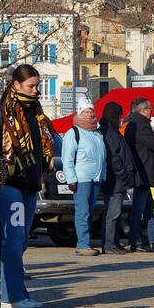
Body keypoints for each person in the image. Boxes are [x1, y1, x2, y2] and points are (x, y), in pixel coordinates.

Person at [0, 64, 52, 308]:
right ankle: (13, 296)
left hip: (30, 183)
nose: (36, 91)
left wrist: (42, 172)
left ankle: (12, 293)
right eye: (31, 86)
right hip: (7, 183)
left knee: (19, 240)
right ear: (15, 85)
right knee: (12, 238)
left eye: (37, 86)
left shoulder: (36, 112)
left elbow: (41, 146)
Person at [62, 105, 107, 256]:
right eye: (86, 112)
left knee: (89, 211)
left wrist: (103, 175)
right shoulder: (73, 133)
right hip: (81, 178)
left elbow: (102, 157)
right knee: (83, 212)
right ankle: (82, 244)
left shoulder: (96, 133)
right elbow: (67, 158)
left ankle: (85, 242)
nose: (89, 114)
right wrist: (71, 179)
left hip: (96, 178)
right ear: (79, 113)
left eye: (91, 111)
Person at [122, 97, 154, 252]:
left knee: (148, 208)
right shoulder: (142, 125)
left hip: (139, 171)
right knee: (139, 209)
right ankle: (136, 241)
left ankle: (153, 239)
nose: (151, 112)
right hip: (143, 172)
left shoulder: (129, 122)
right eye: (150, 109)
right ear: (142, 111)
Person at [99, 102, 135, 253]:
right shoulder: (109, 132)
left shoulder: (111, 130)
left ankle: (113, 242)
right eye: (119, 116)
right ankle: (109, 245)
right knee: (112, 214)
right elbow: (114, 158)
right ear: (114, 116)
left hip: (116, 179)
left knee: (114, 213)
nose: (121, 119)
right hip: (115, 181)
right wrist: (124, 175)